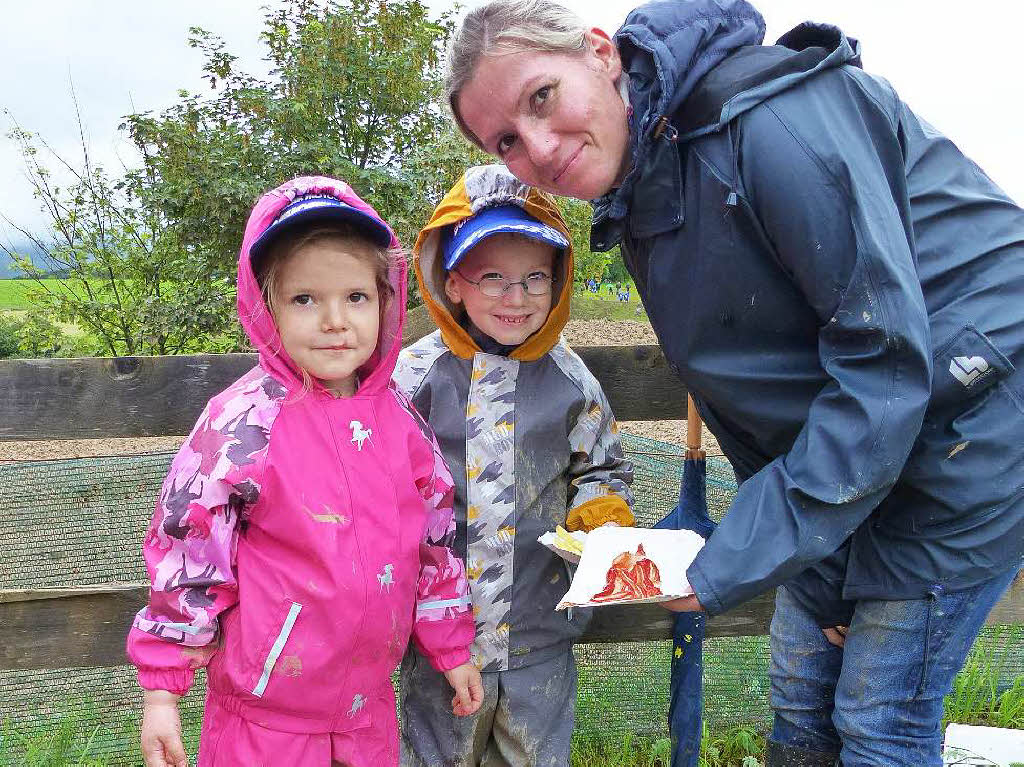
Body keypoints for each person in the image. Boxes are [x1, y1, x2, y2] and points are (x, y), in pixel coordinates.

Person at [444, 1, 1024, 765]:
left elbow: (882, 358)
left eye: (542, 97)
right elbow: (761, 395)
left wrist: (738, 559)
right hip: (864, 449)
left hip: (967, 427)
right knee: (801, 684)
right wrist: (815, 553)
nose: (541, 148)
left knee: (880, 714)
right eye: (507, 141)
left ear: (599, 52)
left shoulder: (771, 121)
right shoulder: (644, 189)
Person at [127, 176, 483, 767]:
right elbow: (187, 557)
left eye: (355, 297)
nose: (334, 320)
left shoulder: (401, 424)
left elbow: (435, 547)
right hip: (263, 723)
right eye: (305, 299)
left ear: (386, 300)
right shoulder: (241, 426)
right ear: (266, 305)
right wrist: (162, 692)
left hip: (367, 713)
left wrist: (452, 649)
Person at [394, 164, 635, 766]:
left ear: (557, 282)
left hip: (540, 630)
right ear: (452, 283)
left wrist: (600, 520)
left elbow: (599, 468)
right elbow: (379, 482)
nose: (516, 296)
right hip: (439, 637)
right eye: (493, 277)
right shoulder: (410, 381)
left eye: (534, 278)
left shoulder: (572, 381)